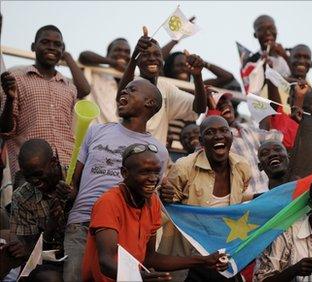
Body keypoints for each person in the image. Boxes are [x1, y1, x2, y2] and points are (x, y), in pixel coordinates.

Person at [63, 79, 169, 282]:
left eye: (132, 90)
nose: (124, 92)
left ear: (150, 103)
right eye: (124, 89)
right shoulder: (95, 131)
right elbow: (74, 182)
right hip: (81, 224)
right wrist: (67, 193)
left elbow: (148, 193)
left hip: (121, 230)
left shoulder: (158, 152)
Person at [81, 143, 227, 281]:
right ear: (124, 173)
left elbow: (149, 258)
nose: (153, 179)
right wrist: (140, 278)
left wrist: (204, 260)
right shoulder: (109, 202)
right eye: (144, 172)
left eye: (156, 172)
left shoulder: (153, 202)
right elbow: (106, 262)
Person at [159, 116, 251, 281]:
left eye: (224, 130)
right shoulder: (184, 167)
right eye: (210, 132)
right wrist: (165, 196)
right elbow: (167, 207)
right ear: (201, 141)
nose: (218, 136)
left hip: (223, 258)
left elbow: (238, 198)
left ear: (231, 136)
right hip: (189, 259)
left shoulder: (242, 167)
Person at [0, 25, 90, 182]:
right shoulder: (16, 79)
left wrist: (67, 56)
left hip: (67, 166)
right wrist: (9, 99)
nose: (52, 47)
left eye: (57, 44)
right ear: (33, 47)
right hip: (30, 169)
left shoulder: (67, 86)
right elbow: (5, 130)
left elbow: (84, 89)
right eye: (45, 42)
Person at [117, 33, 207, 145]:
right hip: (125, 153)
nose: (152, 59)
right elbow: (121, 95)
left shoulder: (166, 88)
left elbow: (199, 108)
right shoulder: (131, 81)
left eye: (157, 55)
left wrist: (197, 76)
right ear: (138, 61)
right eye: (146, 55)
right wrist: (134, 57)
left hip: (154, 159)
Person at [10, 139, 73, 281]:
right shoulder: (22, 197)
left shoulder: (76, 178)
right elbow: (30, 251)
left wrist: (73, 200)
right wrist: (50, 226)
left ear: (54, 163)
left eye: (38, 173)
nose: (34, 181)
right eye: (28, 177)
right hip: (49, 261)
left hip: (82, 250)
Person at [214, 94, 282, 194]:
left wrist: (270, 111)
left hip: (266, 193)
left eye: (227, 103)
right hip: (244, 201)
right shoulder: (216, 141)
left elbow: (278, 137)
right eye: (219, 105)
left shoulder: (248, 129)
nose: (225, 105)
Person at [79, 38, 131, 123]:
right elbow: (84, 56)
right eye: (117, 50)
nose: (122, 54)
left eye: (127, 52)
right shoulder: (96, 73)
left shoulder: (135, 81)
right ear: (108, 54)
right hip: (96, 133)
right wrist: (114, 63)